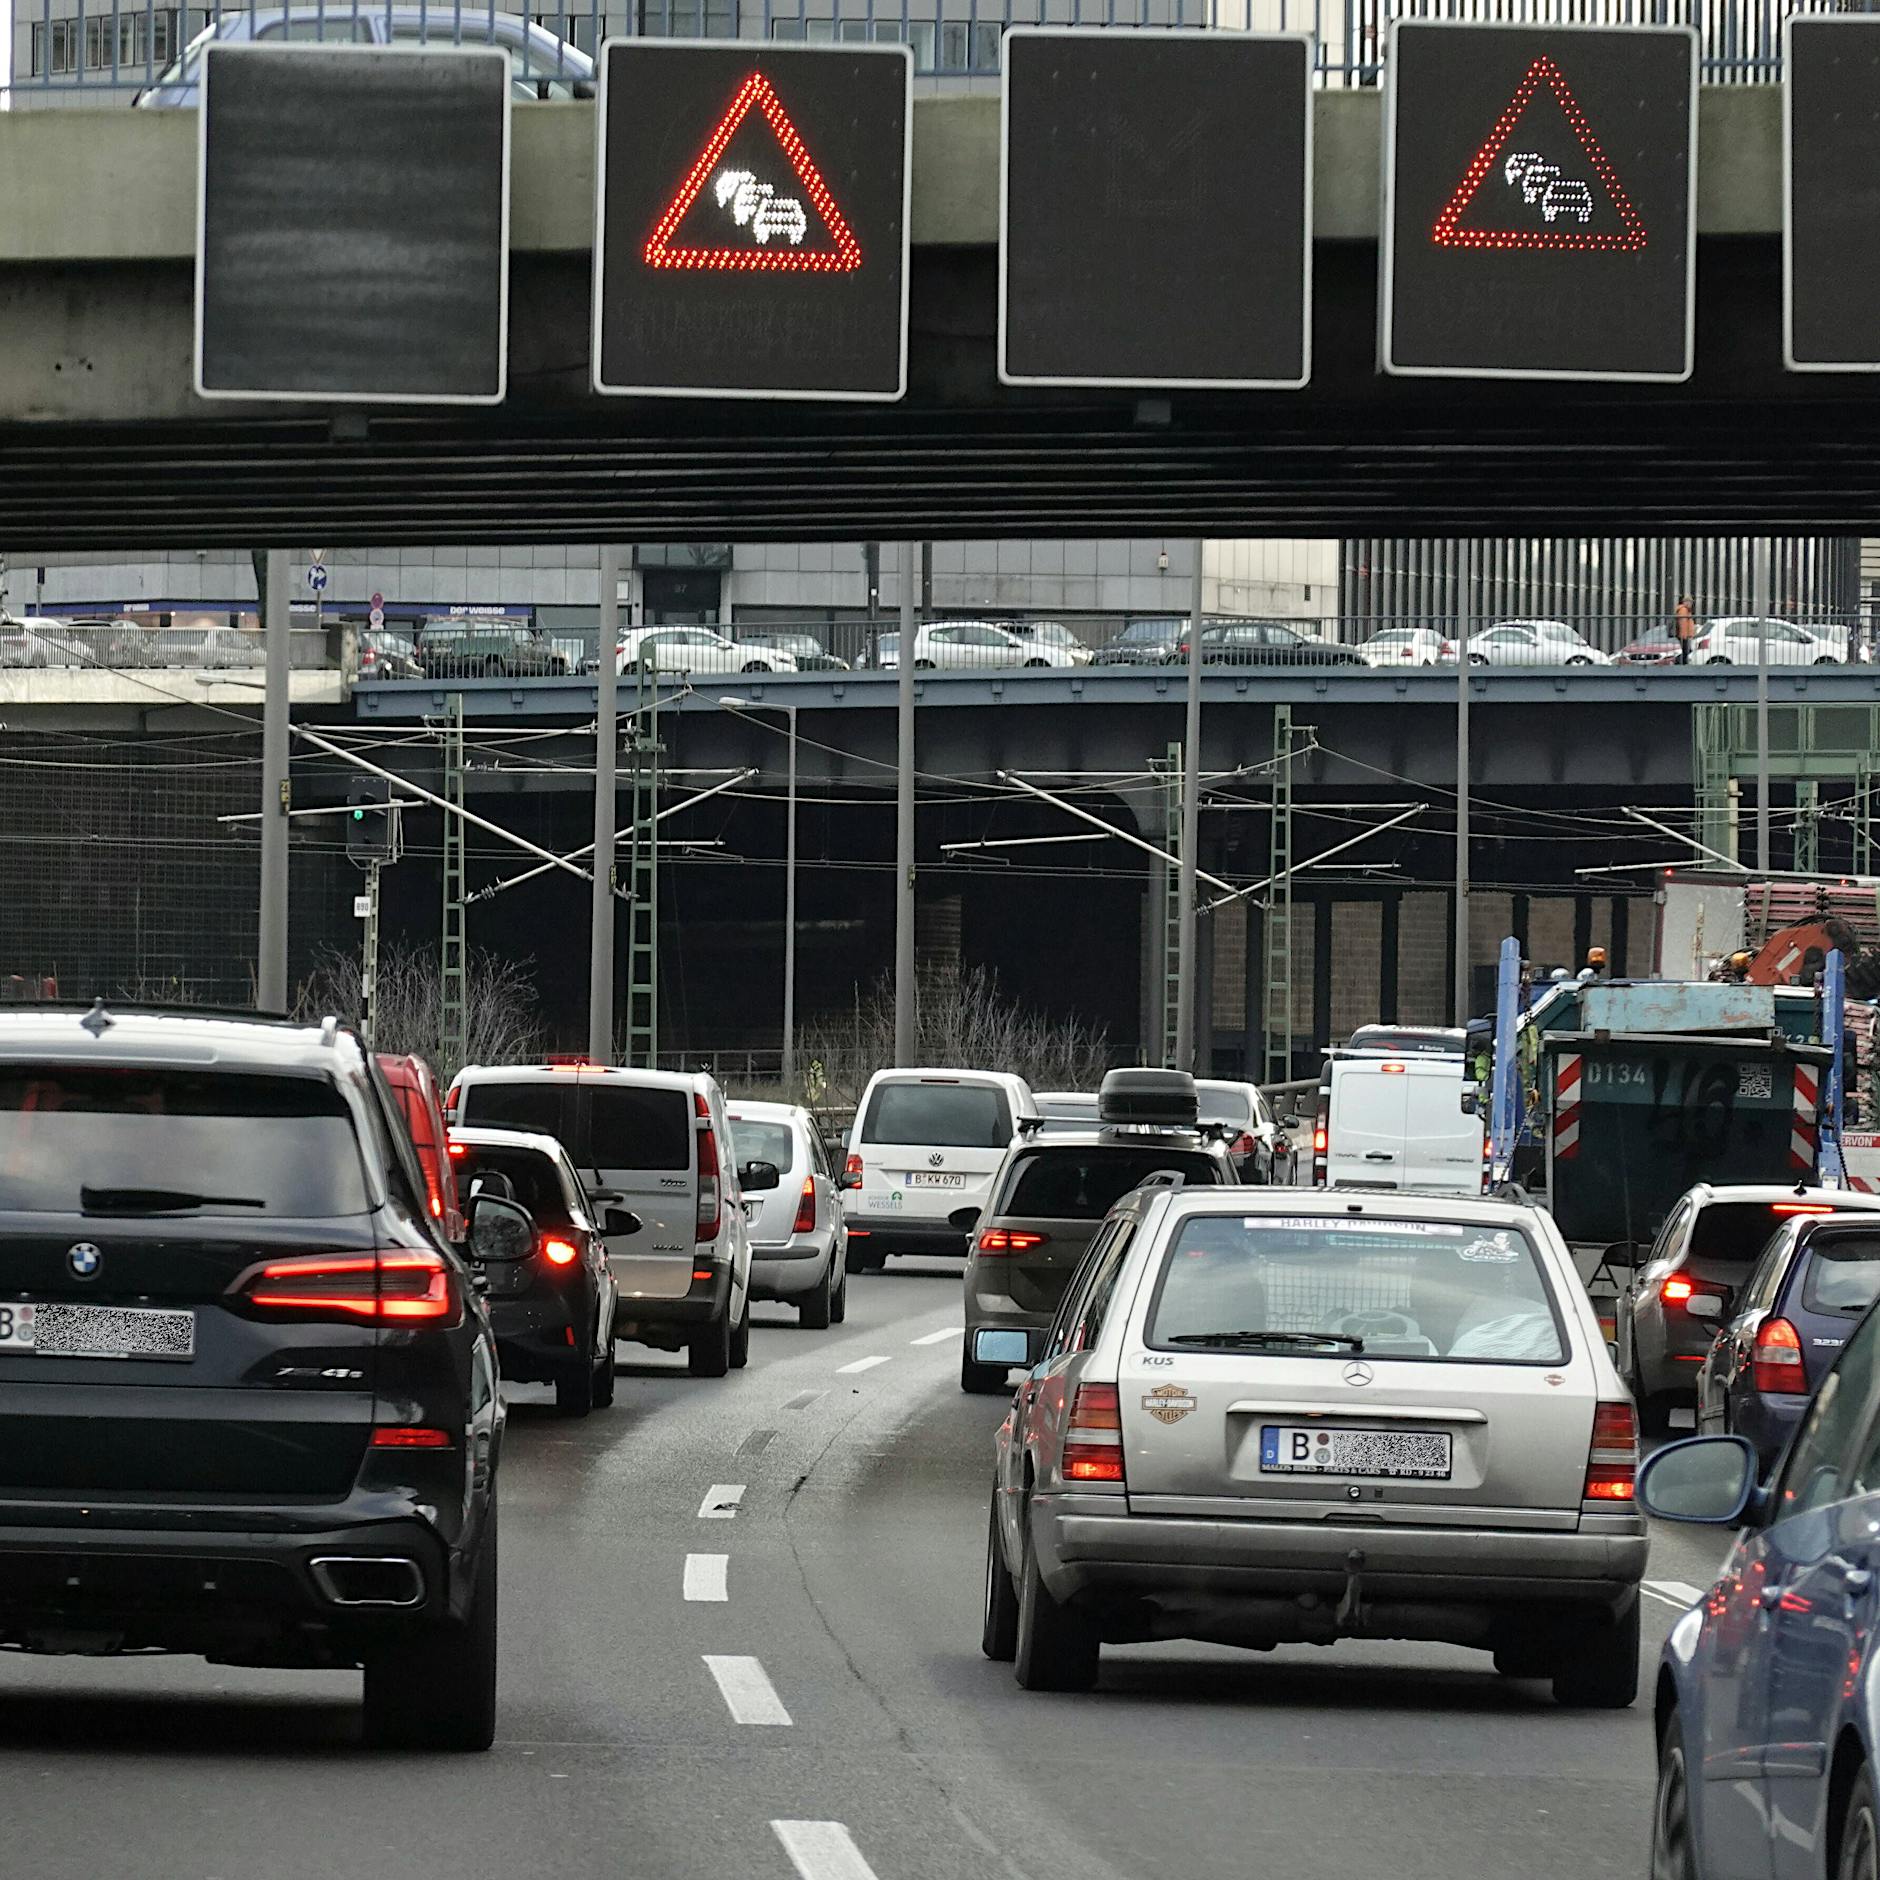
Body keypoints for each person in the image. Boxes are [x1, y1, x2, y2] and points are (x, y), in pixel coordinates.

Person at [1674, 595, 1697, 664]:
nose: (1691, 604)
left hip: (1685, 634)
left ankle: (1681, 662)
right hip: (1684, 635)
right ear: (1686, 602)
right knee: (1686, 650)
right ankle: (1680, 662)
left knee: (1686, 650)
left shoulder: (1686, 610)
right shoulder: (1683, 610)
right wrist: (1684, 635)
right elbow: (1683, 623)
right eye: (1690, 602)